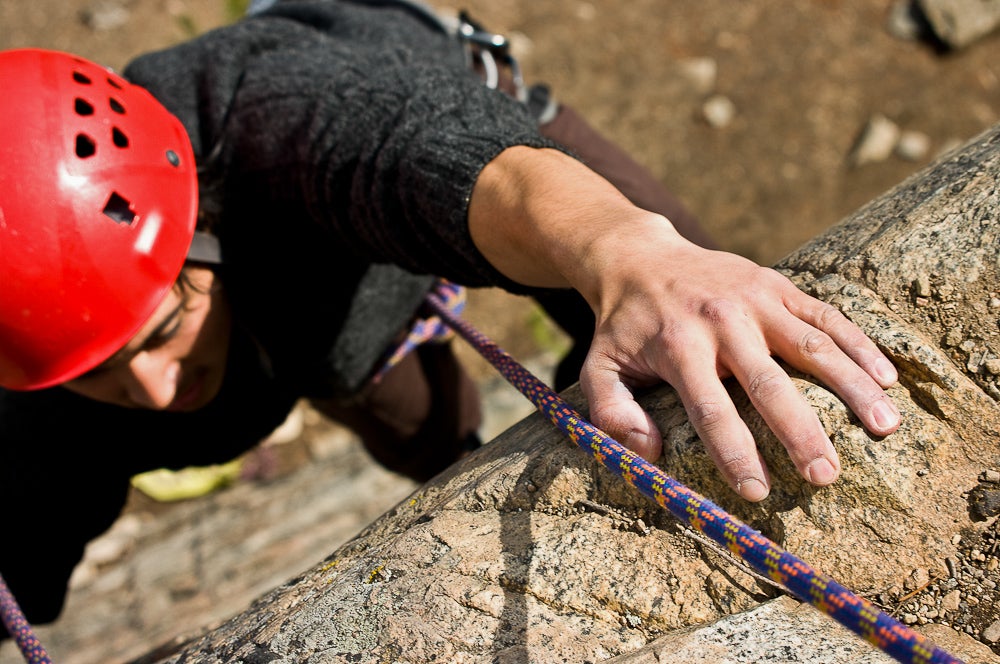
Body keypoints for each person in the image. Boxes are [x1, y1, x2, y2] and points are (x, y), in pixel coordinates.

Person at [0, 0, 901, 634]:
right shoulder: (32, 361)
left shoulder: (262, 111)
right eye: (94, 371)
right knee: (417, 425)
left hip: (472, 145)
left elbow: (417, 151)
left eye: (162, 328)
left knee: (704, 335)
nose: (156, 391)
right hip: (330, 323)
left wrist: (631, 253)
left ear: (193, 221)